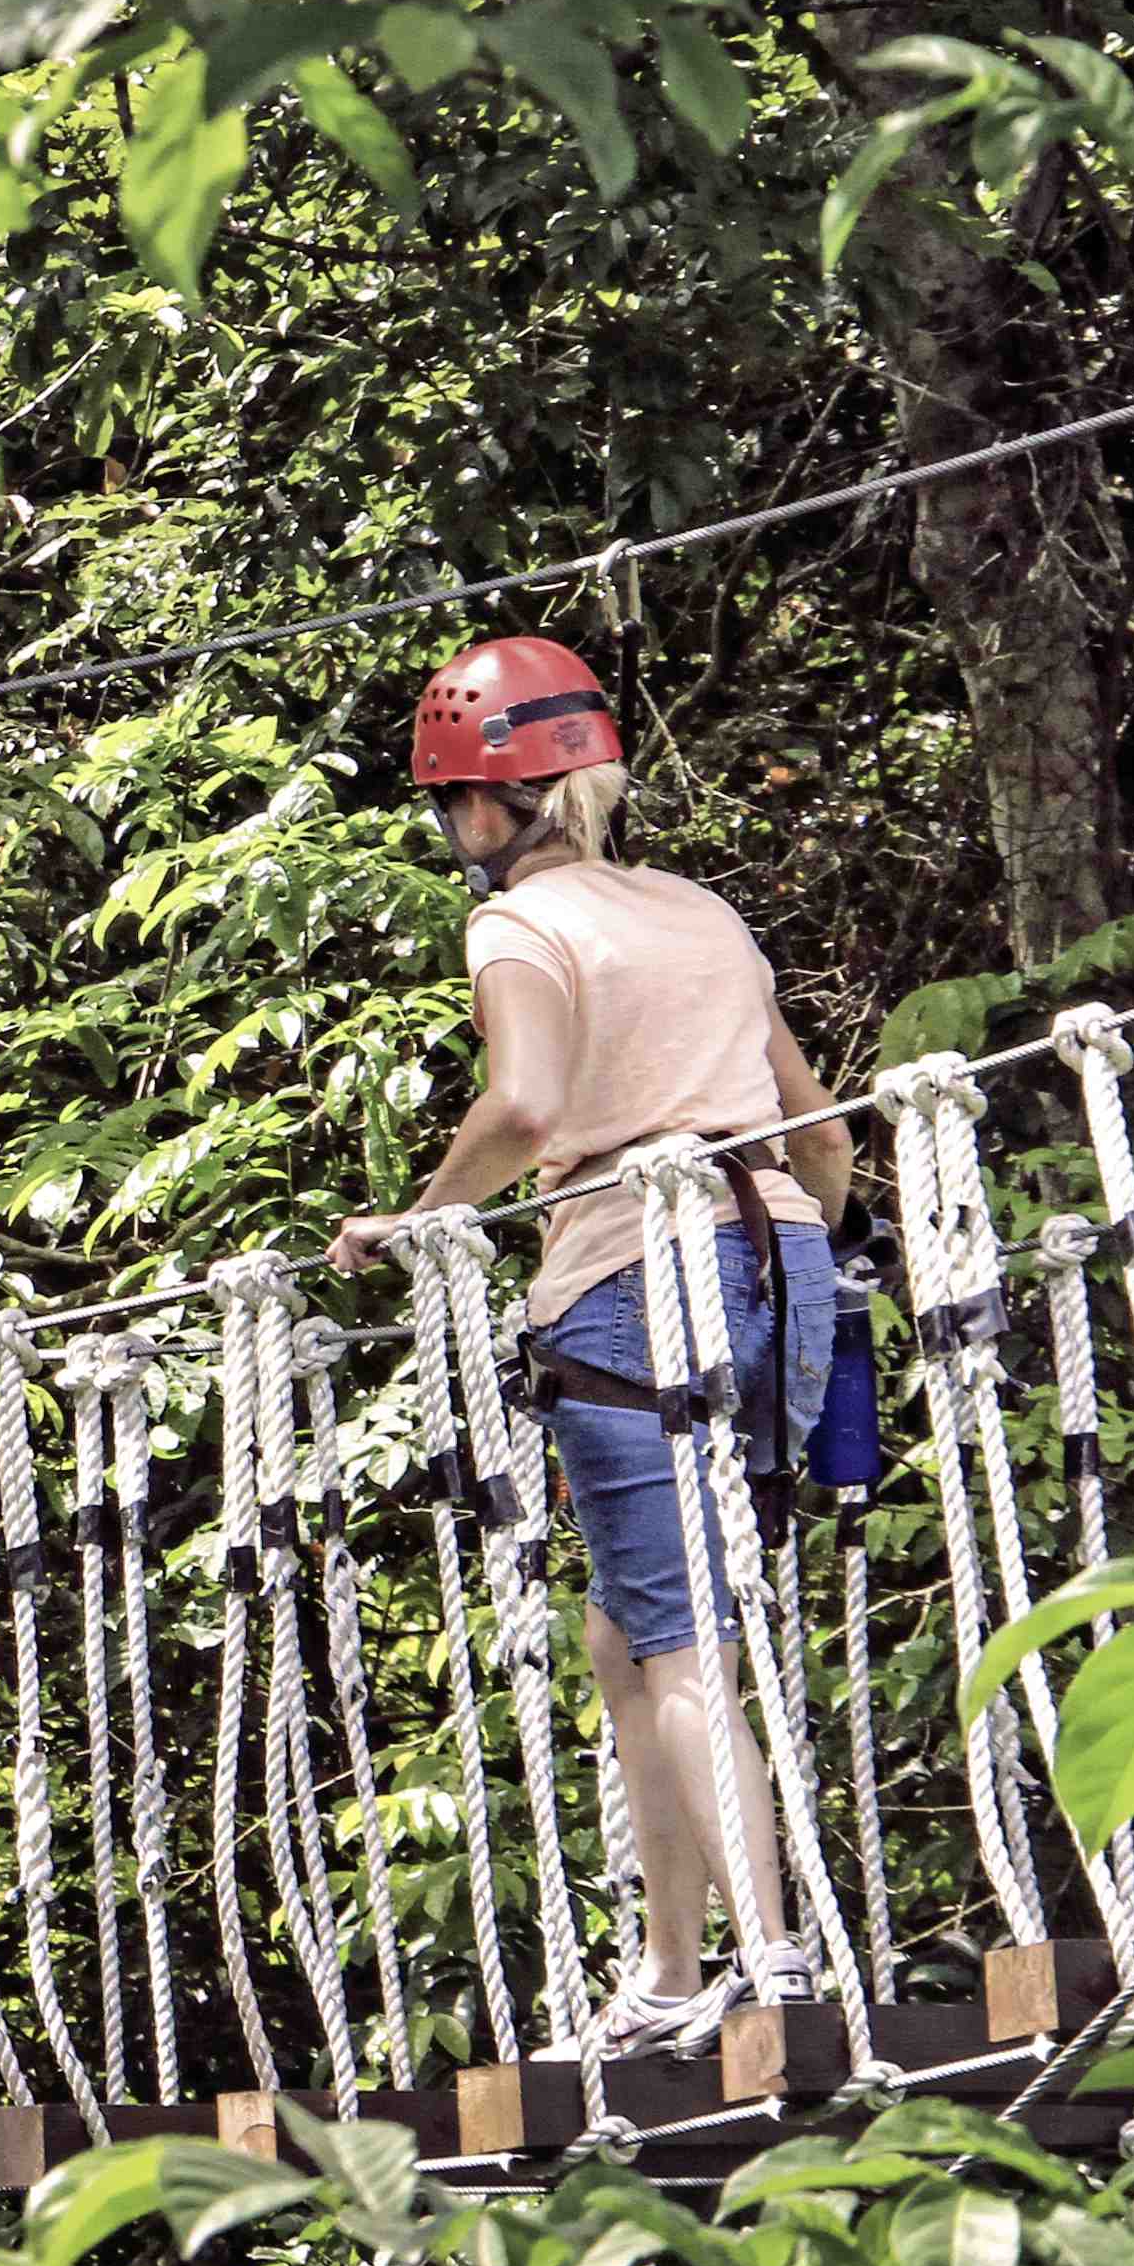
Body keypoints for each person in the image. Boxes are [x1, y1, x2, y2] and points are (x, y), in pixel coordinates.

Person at [328, 638, 855, 2060]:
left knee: (682, 1645)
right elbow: (824, 1135)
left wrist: (417, 1220)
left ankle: (770, 1959)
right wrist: (796, 1265)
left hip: (633, 1285)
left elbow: (521, 1107)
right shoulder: (699, 911)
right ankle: (672, 1974)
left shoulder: (517, 928)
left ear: (485, 810)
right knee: (627, 1636)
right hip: (781, 1267)